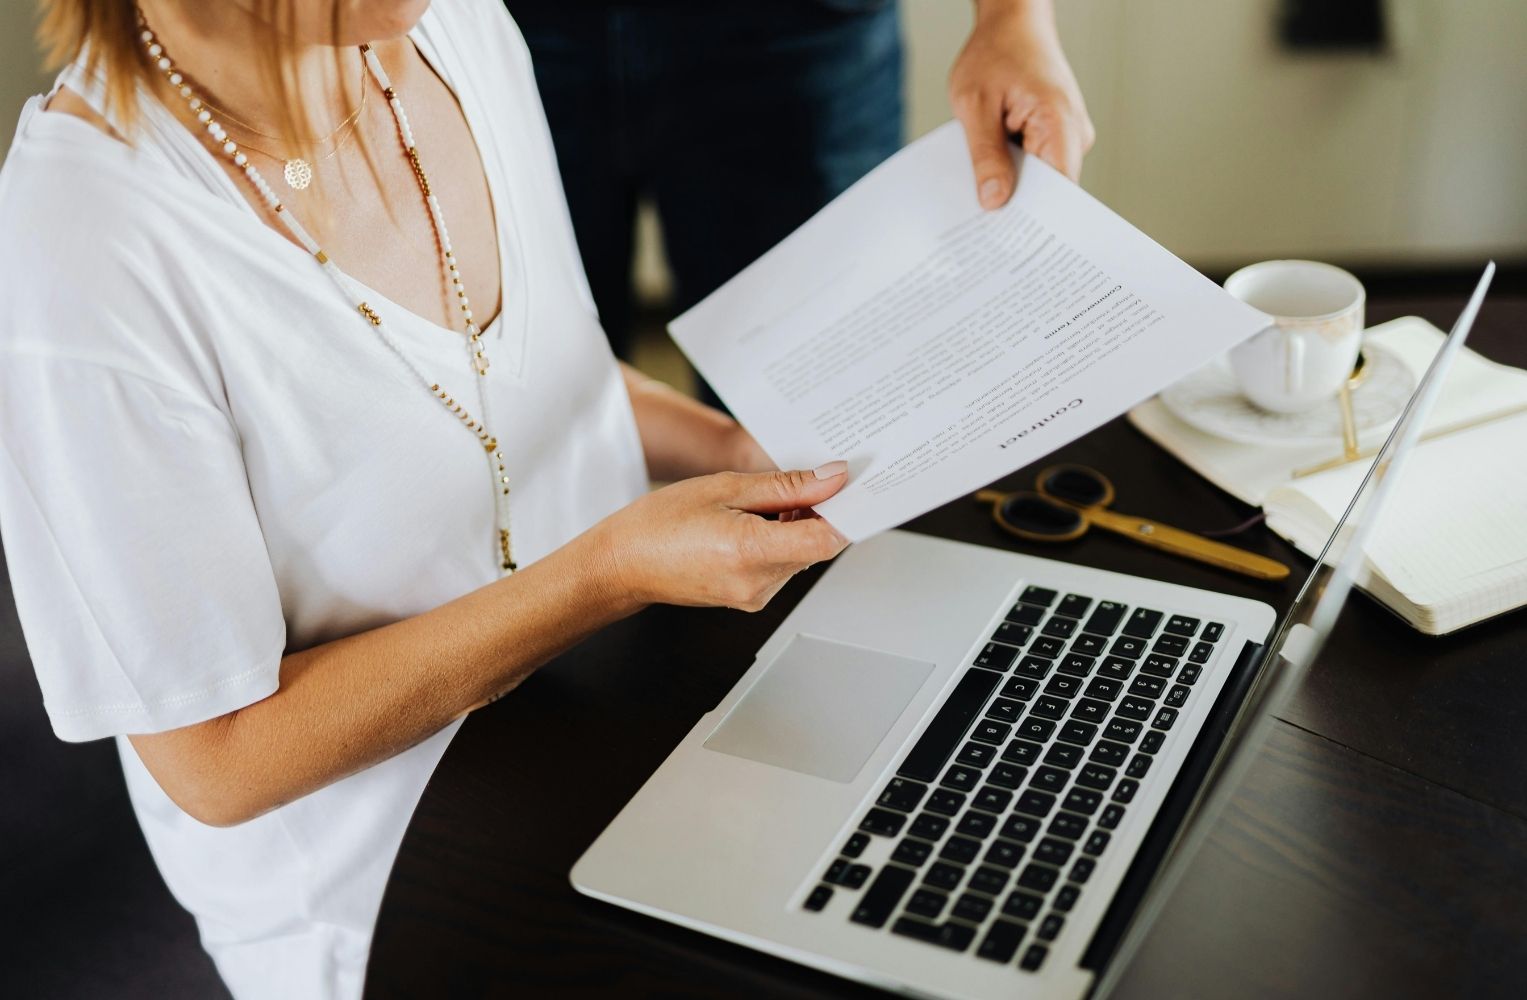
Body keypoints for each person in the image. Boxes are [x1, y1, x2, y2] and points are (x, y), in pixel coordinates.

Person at [0, 1, 850, 997]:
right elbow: (217, 761)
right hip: (395, 886)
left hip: (625, 724)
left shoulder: (459, 30)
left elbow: (525, 373)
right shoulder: (83, 239)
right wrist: (605, 575)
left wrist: (723, 443)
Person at [514, 0, 1095, 365]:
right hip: (498, 21)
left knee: (812, 415)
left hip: (805, 35)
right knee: (523, 395)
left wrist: (1014, 16)